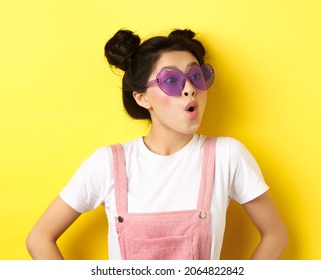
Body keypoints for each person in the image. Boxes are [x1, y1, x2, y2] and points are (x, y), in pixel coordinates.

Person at [26, 29, 287, 260]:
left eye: (196, 76)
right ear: (141, 98)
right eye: (171, 81)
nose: (190, 89)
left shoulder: (227, 155)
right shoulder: (108, 163)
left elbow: (275, 235)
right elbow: (39, 239)